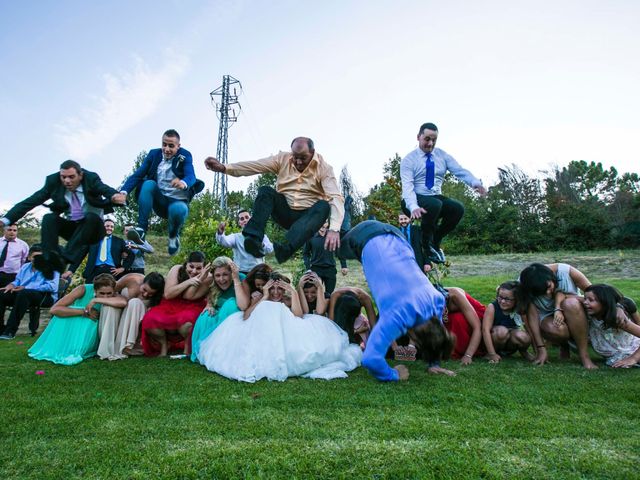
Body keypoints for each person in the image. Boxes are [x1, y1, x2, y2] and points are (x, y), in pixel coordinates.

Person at [339, 220, 456, 381]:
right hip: (363, 235)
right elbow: (370, 359)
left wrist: (434, 364)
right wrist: (393, 374)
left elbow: (438, 329)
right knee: (336, 246)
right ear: (415, 339)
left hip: (398, 237)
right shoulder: (397, 316)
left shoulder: (437, 300)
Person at [197, 271, 361, 382]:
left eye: (279, 288)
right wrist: (265, 296)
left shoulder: (287, 300)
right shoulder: (261, 298)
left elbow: (299, 315)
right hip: (262, 334)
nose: (276, 292)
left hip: (286, 332)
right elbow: (246, 316)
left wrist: (293, 291)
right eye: (272, 288)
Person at [204, 137, 345, 263]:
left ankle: (285, 249)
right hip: (284, 212)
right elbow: (255, 166)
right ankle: (253, 239)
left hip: (306, 218)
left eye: (303, 157)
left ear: (312, 152)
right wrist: (224, 168)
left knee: (324, 206)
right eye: (295, 157)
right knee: (265, 191)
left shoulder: (324, 168)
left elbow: (336, 197)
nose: (298, 162)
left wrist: (334, 229)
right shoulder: (283, 159)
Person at [0, 160, 126, 279]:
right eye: (63, 177)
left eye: (71, 177)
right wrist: (5, 220)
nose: (67, 181)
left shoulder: (90, 179)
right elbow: (30, 201)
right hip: (74, 230)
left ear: (80, 175)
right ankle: (50, 261)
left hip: (94, 231)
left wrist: (114, 196)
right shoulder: (53, 182)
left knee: (90, 217)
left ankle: (64, 259)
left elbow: (103, 188)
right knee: (49, 218)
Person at [400, 122, 486, 264]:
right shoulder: (409, 160)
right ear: (418, 137)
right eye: (427, 139)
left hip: (435, 198)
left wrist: (475, 183)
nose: (430, 143)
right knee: (434, 204)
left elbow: (459, 171)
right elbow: (407, 186)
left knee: (457, 208)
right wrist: (413, 206)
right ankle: (425, 244)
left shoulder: (442, 156)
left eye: (434, 140)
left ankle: (435, 240)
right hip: (413, 200)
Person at [120, 129, 204, 256]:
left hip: (177, 203)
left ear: (178, 146)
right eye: (164, 144)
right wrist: (124, 191)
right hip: (160, 202)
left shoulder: (185, 155)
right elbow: (138, 174)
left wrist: (183, 183)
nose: (167, 149)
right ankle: (141, 230)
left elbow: (191, 175)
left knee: (179, 208)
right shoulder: (154, 154)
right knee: (148, 184)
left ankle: (173, 236)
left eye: (171, 146)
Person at [28, 273, 127, 365]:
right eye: (101, 293)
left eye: (109, 293)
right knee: (72, 311)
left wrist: (96, 299)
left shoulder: (115, 296)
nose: (105, 297)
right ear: (95, 290)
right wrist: (84, 312)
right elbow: (54, 309)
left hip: (93, 333)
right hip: (74, 328)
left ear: (113, 291)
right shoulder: (83, 289)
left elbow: (123, 302)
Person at [518, 263, 600, 369]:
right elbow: (531, 317)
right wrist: (540, 349)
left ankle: (584, 356)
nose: (547, 293)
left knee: (570, 303)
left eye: (548, 287)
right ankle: (564, 344)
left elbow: (595, 295)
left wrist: (558, 307)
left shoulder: (567, 271)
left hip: (575, 310)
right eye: (541, 292)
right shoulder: (526, 283)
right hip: (546, 316)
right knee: (554, 328)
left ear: (551, 277)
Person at [141, 251, 211, 357]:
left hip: (193, 305)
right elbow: (168, 294)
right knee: (150, 318)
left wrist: (199, 279)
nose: (194, 271)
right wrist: (188, 282)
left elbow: (189, 296)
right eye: (191, 266)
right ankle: (164, 345)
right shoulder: (176, 269)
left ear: (204, 267)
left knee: (186, 320)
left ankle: (187, 349)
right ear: (186, 264)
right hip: (171, 303)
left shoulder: (208, 277)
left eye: (198, 268)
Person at [190, 257, 249, 363]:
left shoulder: (241, 278)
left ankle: (228, 351)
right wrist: (209, 305)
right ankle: (205, 352)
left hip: (236, 318)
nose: (221, 279)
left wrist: (236, 279)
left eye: (225, 274)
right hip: (218, 316)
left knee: (230, 304)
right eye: (217, 275)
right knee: (206, 315)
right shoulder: (212, 282)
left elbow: (243, 306)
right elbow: (192, 296)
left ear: (232, 273)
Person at [0, 244, 59, 339]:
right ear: (29, 257)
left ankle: (10, 331)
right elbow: (18, 281)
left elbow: (52, 286)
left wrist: (26, 287)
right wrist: (12, 285)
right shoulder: (25, 267)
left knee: (25, 294)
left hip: (45, 297)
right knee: (2, 294)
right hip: (23, 294)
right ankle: (1, 329)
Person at [104, 272, 165, 360]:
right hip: (119, 312)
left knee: (135, 303)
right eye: (144, 289)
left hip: (136, 322)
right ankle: (108, 345)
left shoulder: (157, 298)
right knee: (111, 308)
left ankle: (127, 346)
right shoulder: (132, 279)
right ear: (143, 282)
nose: (145, 295)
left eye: (150, 294)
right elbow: (111, 290)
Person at [583, 284, 640, 368]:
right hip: (617, 354)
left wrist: (634, 358)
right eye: (585, 299)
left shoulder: (617, 319)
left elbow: (627, 301)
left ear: (605, 302)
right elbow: (572, 298)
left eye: (591, 300)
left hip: (632, 350)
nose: (585, 302)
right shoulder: (591, 315)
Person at [482, 281, 532, 363]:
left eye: (507, 299)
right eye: (500, 297)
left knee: (523, 336)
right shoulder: (492, 307)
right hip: (495, 338)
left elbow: (529, 329)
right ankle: (491, 353)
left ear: (516, 299)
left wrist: (539, 351)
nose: (502, 301)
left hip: (510, 341)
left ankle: (523, 352)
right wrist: (492, 353)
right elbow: (485, 330)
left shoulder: (519, 309)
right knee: (502, 331)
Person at [215, 210, 273, 274]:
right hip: (241, 273)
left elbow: (270, 249)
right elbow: (224, 242)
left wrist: (261, 244)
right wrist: (220, 233)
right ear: (239, 223)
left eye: (247, 217)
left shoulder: (261, 236)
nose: (245, 220)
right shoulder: (235, 237)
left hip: (258, 271)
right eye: (242, 219)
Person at [303, 222, 348, 295]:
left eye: (325, 222)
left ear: (328, 223)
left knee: (330, 295)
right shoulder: (310, 236)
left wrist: (344, 266)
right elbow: (305, 253)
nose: (323, 224)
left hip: (330, 270)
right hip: (316, 270)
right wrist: (308, 268)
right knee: (316, 294)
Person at [443, 287, 485, 364]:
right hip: (453, 317)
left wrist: (468, 355)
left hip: (477, 317)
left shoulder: (454, 294)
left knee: (456, 319)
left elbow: (477, 327)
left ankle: (468, 349)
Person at [0, 223, 29, 288]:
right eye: (9, 230)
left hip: (13, 276)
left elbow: (24, 261)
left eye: (14, 230)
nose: (12, 232)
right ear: (4, 230)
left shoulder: (23, 245)